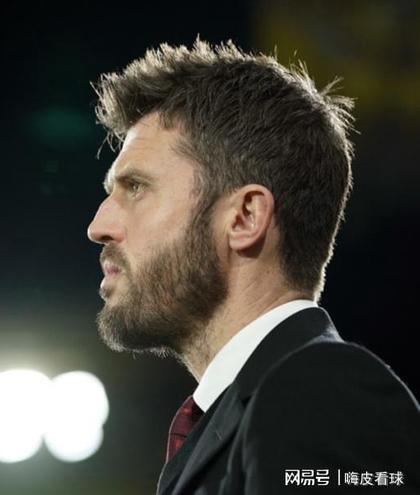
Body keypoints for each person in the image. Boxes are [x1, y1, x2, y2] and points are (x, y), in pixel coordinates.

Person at [86, 38, 420, 494]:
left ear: (245, 218)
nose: (98, 226)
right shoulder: (257, 410)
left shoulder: (321, 394)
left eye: (136, 188)